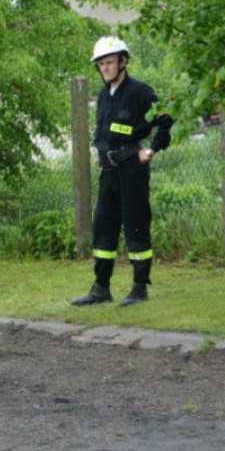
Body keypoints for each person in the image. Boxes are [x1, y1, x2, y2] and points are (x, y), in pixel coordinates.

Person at [72, 36, 174, 307]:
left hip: (132, 170)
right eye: (101, 64)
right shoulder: (105, 95)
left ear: (123, 61)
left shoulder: (140, 92)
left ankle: (140, 288)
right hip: (109, 172)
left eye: (109, 62)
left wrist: (151, 150)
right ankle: (100, 288)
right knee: (103, 227)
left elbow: (165, 120)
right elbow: (104, 132)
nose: (105, 68)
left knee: (136, 224)